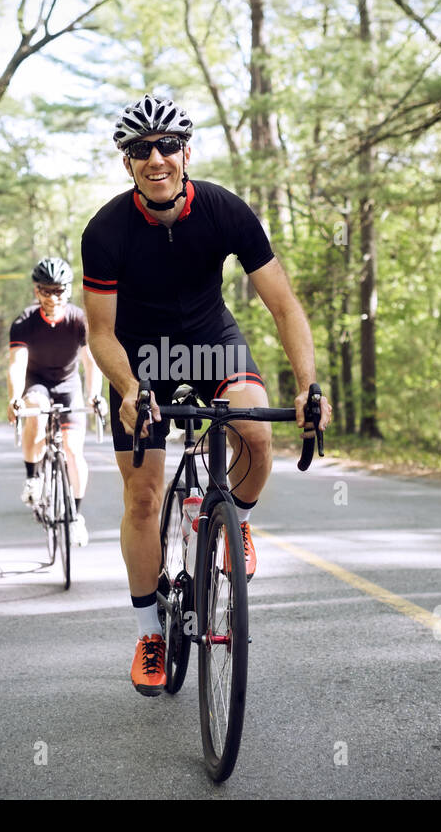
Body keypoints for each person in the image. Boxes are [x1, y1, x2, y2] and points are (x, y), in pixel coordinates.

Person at [81, 95, 332, 696]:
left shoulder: (225, 210)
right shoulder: (106, 230)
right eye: (141, 150)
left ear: (186, 153)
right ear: (127, 163)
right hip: (137, 355)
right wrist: (129, 388)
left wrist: (307, 386)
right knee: (142, 496)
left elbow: (283, 305)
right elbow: (100, 333)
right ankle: (148, 633)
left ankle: (232, 519)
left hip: (208, 338)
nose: (156, 158)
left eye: (168, 146)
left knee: (256, 433)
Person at [7, 256, 104, 546]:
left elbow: (91, 362)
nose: (52, 297)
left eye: (58, 290)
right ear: (36, 291)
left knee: (74, 451)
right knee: (35, 411)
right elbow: (17, 363)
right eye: (46, 290)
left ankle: (75, 516)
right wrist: (14, 397)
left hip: (68, 384)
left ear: (68, 290)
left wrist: (93, 395)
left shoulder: (78, 320)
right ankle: (33, 476)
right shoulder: (24, 322)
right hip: (37, 382)